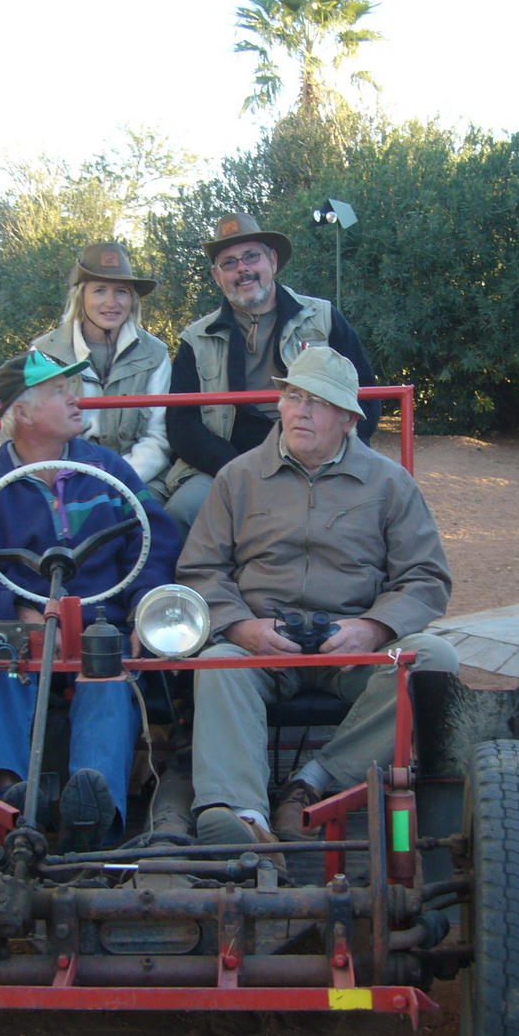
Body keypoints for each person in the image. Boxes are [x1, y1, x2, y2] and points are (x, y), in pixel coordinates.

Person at [175, 347, 459, 848]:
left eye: (319, 402)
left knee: (433, 658)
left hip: (352, 650)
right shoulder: (236, 479)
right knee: (216, 663)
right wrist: (243, 628)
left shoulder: (390, 483)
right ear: (279, 405)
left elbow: (426, 577)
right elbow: (200, 571)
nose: (301, 410)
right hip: (263, 648)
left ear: (349, 419)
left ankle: (314, 784)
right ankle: (244, 821)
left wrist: (372, 628)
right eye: (292, 396)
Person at [0, 349, 180, 849]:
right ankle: (10, 799)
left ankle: (93, 810)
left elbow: (155, 543)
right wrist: (16, 613)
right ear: (20, 414)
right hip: (25, 634)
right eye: (59, 390)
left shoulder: (107, 471)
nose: (77, 397)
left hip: (102, 627)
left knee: (108, 676)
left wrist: (142, 608)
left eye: (74, 386)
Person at [162, 212, 382, 539]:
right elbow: (181, 424)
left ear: (272, 261)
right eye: (229, 262)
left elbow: (366, 398)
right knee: (179, 515)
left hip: (318, 455)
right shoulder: (195, 338)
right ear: (216, 276)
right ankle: (185, 592)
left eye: (251, 256)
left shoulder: (323, 317)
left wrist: (331, 456)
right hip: (227, 462)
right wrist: (238, 469)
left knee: (370, 512)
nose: (242, 269)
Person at [32, 241, 173, 495]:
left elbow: (158, 437)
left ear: (132, 299)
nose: (111, 302)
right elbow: (39, 435)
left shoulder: (155, 354)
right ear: (80, 297)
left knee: (162, 519)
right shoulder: (44, 354)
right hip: (64, 479)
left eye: (121, 291)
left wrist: (116, 480)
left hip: (137, 479)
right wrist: (77, 482)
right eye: (99, 291)